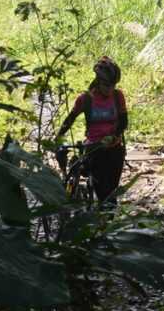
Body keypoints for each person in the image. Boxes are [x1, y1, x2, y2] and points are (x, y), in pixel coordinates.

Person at [55, 55, 128, 204]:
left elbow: (124, 121)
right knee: (102, 191)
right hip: (94, 148)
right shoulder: (86, 99)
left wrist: (115, 135)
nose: (110, 89)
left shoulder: (117, 96)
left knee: (111, 190)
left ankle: (106, 220)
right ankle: (102, 220)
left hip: (114, 148)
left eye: (113, 85)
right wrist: (59, 137)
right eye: (107, 85)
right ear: (99, 82)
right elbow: (70, 119)